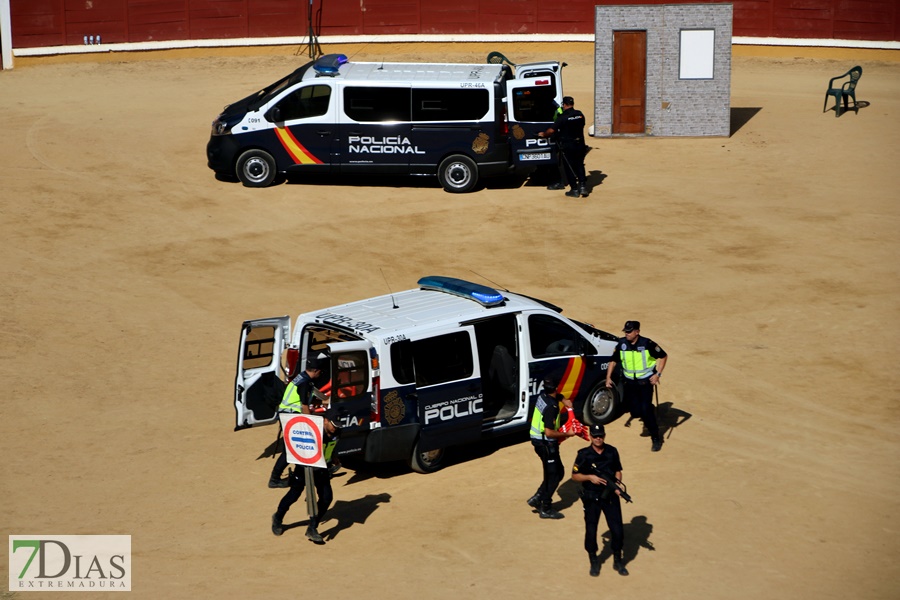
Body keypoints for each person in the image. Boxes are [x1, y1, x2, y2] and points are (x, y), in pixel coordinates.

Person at [271, 412, 340, 543]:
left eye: (337, 426)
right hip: (304, 469)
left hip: (322, 471)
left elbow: (332, 446)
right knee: (293, 495)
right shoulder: (313, 432)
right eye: (333, 425)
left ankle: (312, 527)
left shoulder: (337, 433)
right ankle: (278, 517)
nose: (335, 428)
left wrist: (334, 457)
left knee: (326, 498)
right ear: (325, 421)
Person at [572, 423, 629, 577]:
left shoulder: (612, 451)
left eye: (601, 436)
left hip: (610, 496)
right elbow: (575, 476)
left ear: (604, 435)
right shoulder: (584, 455)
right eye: (595, 436)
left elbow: (618, 471)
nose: (598, 438)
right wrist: (590, 477)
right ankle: (594, 560)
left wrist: (616, 485)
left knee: (617, 530)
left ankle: (618, 559)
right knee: (591, 530)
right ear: (590, 437)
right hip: (592, 497)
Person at [605, 321, 668, 452]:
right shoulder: (622, 344)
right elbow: (613, 360)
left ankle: (656, 437)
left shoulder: (647, 344)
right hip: (629, 383)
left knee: (645, 412)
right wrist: (608, 377)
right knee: (635, 411)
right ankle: (648, 408)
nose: (626, 334)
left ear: (637, 332)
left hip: (645, 383)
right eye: (625, 331)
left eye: (629, 331)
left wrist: (658, 374)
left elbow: (663, 356)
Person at [268, 353, 327, 488]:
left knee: (296, 447)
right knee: (291, 449)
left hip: (288, 415)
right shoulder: (305, 382)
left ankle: (298, 473)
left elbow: (304, 398)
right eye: (320, 372)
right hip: (291, 417)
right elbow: (304, 405)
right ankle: (275, 479)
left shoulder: (302, 377)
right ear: (316, 371)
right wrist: (310, 424)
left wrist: (321, 401)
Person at [527, 377, 577, 519]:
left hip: (539, 441)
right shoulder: (551, 408)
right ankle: (546, 507)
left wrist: (563, 399)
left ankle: (538, 497)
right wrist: (568, 433)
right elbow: (549, 432)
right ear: (556, 388)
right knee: (554, 476)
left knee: (557, 472)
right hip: (546, 444)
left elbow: (554, 396)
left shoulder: (543, 396)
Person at [538, 96, 588, 198]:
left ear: (564, 105)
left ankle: (574, 189)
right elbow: (582, 125)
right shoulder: (580, 114)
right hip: (580, 144)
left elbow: (551, 131)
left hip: (568, 145)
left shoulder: (563, 118)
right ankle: (583, 187)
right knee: (579, 164)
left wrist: (543, 134)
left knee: (569, 167)